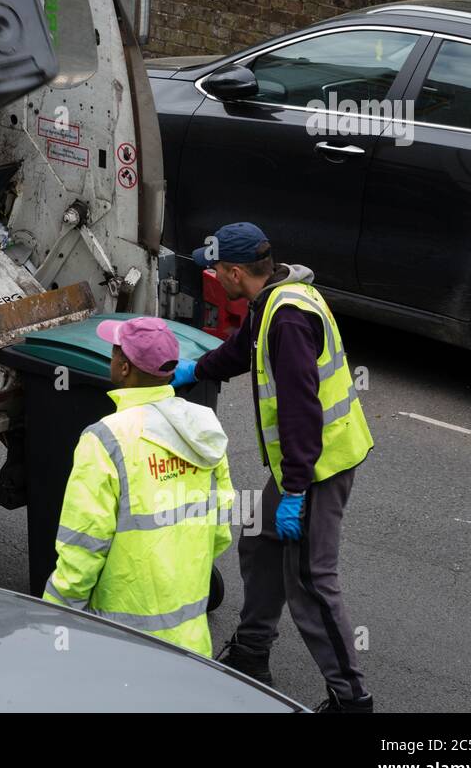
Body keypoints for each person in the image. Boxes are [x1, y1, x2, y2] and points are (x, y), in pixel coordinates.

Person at [172, 222, 374, 713]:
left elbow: (301, 410)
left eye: (217, 270)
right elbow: (244, 350)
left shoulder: (286, 319)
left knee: (310, 579)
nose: (213, 278)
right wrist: (196, 370)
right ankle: (251, 651)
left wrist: (297, 491)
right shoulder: (278, 297)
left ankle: (352, 700)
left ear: (236, 272)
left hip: (319, 467)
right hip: (302, 465)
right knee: (262, 542)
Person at [43, 316, 235, 656]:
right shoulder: (203, 429)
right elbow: (219, 531)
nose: (112, 359)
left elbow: (83, 547)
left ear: (124, 368)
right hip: (192, 642)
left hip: (124, 646)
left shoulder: (106, 439)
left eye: (115, 352)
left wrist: (55, 615)